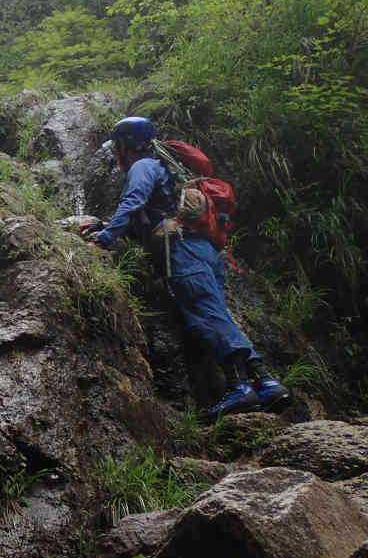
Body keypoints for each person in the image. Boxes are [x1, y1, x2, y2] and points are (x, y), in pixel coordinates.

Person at [81, 116, 292, 422]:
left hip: (182, 250)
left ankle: (240, 388)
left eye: (117, 146)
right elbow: (149, 218)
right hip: (204, 249)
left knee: (206, 314)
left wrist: (103, 238)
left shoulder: (143, 166)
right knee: (216, 312)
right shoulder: (169, 171)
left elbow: (134, 202)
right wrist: (106, 225)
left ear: (126, 145)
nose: (116, 154)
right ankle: (266, 383)